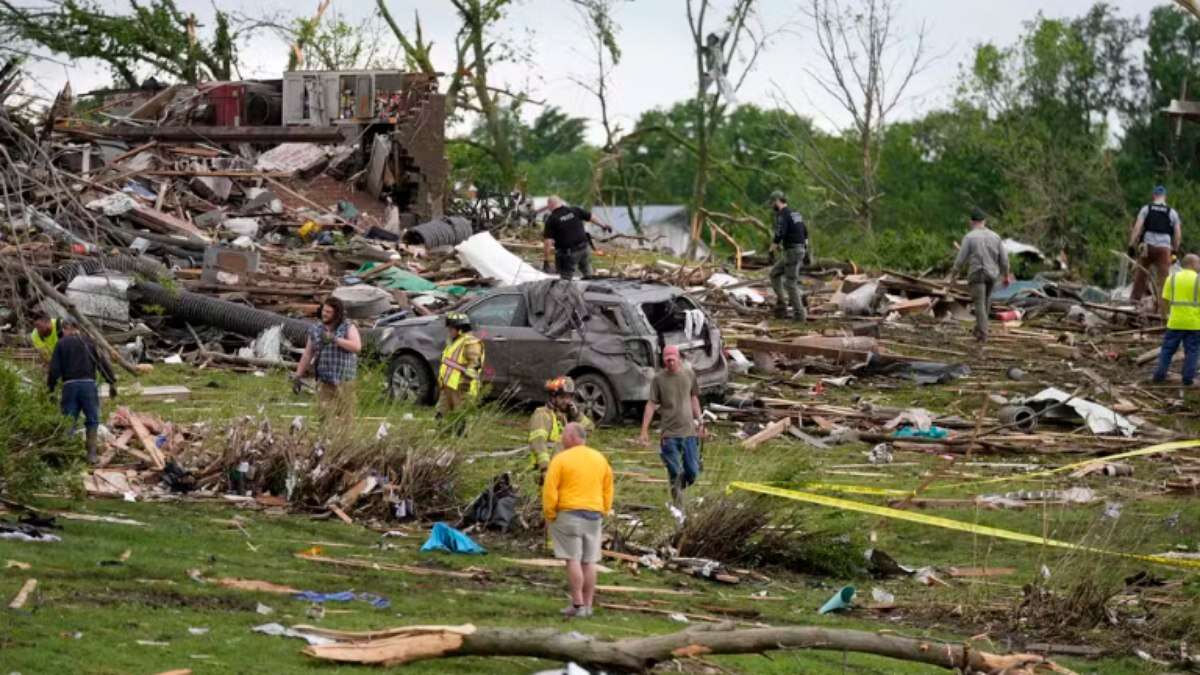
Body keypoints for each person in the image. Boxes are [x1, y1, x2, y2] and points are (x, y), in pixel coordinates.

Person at [542, 422, 613, 619]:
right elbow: (608, 487)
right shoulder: (599, 458)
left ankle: (577, 603)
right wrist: (605, 508)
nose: (561, 438)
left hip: (568, 514)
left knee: (572, 559)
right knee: (589, 561)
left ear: (573, 437)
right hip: (594, 514)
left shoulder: (561, 459)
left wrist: (550, 513)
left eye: (564, 434)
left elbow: (550, 489)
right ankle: (588, 605)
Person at [638, 345, 704, 505]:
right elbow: (651, 404)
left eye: (673, 360)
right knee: (674, 471)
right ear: (663, 361)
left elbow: (694, 398)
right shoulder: (658, 379)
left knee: (692, 473)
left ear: (678, 358)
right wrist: (644, 430)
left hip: (689, 432)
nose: (670, 363)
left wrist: (700, 421)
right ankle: (677, 503)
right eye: (667, 361)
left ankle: (677, 487)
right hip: (669, 434)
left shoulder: (689, 374)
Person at [47, 319, 116, 464]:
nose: (62, 334)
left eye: (62, 331)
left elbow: (54, 370)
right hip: (88, 386)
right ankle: (91, 455)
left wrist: (51, 389)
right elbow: (102, 363)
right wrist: (111, 382)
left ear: (67, 327)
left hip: (69, 386)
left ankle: (67, 456)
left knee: (69, 420)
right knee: (92, 419)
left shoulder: (61, 344)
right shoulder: (89, 342)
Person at [946, 208, 1012, 343]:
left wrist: (953, 275)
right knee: (986, 302)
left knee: (980, 304)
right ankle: (979, 329)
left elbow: (960, 260)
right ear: (984, 221)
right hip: (992, 274)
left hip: (977, 274)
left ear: (971, 222)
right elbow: (1004, 260)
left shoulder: (969, 237)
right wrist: (1006, 276)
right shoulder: (996, 237)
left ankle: (983, 334)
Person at [295, 296, 361, 424]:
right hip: (324, 381)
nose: (324, 314)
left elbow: (356, 346)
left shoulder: (347, 327)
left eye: (328, 312)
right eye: (324, 311)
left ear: (336, 314)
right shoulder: (315, 330)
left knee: (346, 418)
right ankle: (325, 441)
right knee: (324, 416)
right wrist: (298, 375)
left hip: (344, 380)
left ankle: (343, 442)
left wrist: (335, 339)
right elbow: (308, 354)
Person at [529, 376, 594, 478]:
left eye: (569, 397)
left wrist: (576, 415)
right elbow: (538, 442)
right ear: (553, 397)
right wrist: (545, 469)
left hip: (563, 468)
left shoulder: (564, 417)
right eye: (562, 397)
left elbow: (589, 428)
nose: (567, 401)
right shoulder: (542, 415)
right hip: (544, 470)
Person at [1129, 185, 1182, 311]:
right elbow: (1178, 234)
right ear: (1165, 197)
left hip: (1147, 246)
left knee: (1141, 274)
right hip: (1164, 248)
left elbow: (1137, 228)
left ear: (1154, 196)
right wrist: (1175, 250)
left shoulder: (1146, 209)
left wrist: (1131, 244)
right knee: (1163, 279)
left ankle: (1134, 303)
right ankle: (1162, 309)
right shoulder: (1172, 212)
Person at [1153, 254, 1200, 386]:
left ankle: (1159, 375)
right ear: (1191, 264)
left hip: (1175, 322)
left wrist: (1164, 315)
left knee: (1167, 350)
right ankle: (1188, 379)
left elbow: (1164, 299)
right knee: (1192, 351)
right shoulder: (1198, 280)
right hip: (1194, 324)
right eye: (1198, 263)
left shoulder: (1172, 278)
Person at [542, 195, 612, 280]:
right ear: (560, 202)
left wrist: (546, 259)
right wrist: (603, 225)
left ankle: (566, 291)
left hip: (569, 254)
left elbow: (547, 242)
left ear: (550, 205)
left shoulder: (552, 219)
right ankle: (592, 287)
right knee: (588, 273)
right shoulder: (575, 210)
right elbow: (590, 217)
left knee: (565, 280)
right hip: (585, 248)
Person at [437, 312, 485, 431]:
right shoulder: (455, 342)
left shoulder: (470, 343)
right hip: (449, 385)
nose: (449, 331)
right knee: (441, 412)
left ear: (460, 329)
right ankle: (443, 434)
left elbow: (474, 364)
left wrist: (466, 382)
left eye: (451, 328)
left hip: (461, 386)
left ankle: (460, 438)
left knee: (460, 416)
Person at [768, 191, 809, 321]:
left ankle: (800, 315)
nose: (772, 206)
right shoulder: (795, 213)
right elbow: (805, 232)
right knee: (774, 273)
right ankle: (782, 302)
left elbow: (780, 233)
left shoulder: (782, 215)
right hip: (798, 250)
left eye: (773, 203)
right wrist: (804, 248)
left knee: (790, 283)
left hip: (792, 252)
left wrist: (771, 249)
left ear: (777, 201)